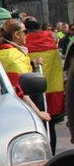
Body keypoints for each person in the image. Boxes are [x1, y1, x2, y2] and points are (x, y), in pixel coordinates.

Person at [0, 19, 50, 124]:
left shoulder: (5, 53)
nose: (27, 35)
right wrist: (38, 113)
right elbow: (19, 90)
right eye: (25, 32)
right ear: (17, 34)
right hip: (20, 113)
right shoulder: (13, 56)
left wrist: (32, 64)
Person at [24, 18, 65, 152]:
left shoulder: (25, 44)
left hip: (32, 91)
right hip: (52, 89)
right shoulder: (51, 40)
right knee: (50, 125)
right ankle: (51, 153)